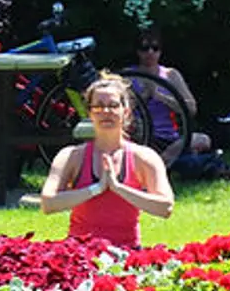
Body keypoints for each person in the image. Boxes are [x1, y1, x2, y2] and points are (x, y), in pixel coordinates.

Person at [42, 75, 175, 249]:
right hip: (79, 254)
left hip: (127, 254)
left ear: (125, 111)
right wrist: (96, 189)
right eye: (98, 106)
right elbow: (48, 203)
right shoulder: (71, 156)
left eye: (113, 106)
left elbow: (165, 207)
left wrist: (118, 188)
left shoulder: (144, 157)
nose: (106, 112)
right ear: (89, 113)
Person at [128, 28, 211, 165]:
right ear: (138, 51)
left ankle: (163, 159)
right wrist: (144, 96)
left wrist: (159, 96)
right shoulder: (129, 76)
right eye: (144, 48)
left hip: (169, 137)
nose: (150, 52)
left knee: (203, 140)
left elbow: (191, 108)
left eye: (155, 48)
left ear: (160, 51)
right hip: (141, 136)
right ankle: (165, 162)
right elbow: (119, 107)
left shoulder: (171, 75)